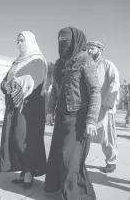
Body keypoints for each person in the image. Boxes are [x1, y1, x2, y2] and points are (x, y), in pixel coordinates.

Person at [44, 27, 101, 200]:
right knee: (56, 156)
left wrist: (91, 119)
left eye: (66, 39)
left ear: (76, 40)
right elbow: (55, 89)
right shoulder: (60, 63)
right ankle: (58, 189)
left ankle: (74, 194)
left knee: (71, 159)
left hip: (79, 117)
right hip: (61, 115)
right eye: (60, 39)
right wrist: (49, 110)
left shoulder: (85, 60)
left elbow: (95, 91)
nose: (63, 43)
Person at [0, 31, 48, 188]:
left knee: (25, 140)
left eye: (22, 40)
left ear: (30, 41)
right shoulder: (17, 61)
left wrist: (12, 84)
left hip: (29, 110)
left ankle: (29, 173)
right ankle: (24, 171)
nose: (19, 43)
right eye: (17, 41)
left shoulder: (38, 60)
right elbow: (7, 79)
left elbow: (33, 81)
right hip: (14, 106)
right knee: (13, 139)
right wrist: (6, 84)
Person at [86, 41, 120, 173]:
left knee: (106, 135)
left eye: (92, 49)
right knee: (86, 134)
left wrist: (108, 103)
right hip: (89, 106)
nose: (89, 51)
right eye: (88, 49)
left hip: (105, 106)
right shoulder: (87, 64)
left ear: (100, 50)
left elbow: (115, 83)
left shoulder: (107, 64)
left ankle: (111, 161)